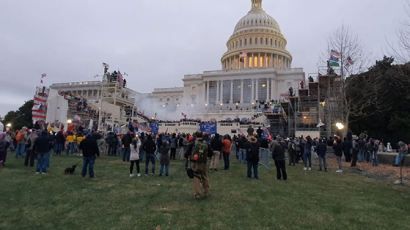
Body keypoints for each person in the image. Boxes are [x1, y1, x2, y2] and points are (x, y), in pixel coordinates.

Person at [190, 132, 210, 199]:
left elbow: (187, 151)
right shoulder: (206, 143)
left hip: (196, 163)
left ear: (196, 136)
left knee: (196, 177)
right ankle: (206, 192)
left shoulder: (194, 143)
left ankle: (197, 194)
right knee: (204, 176)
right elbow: (210, 152)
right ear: (202, 136)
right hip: (204, 162)